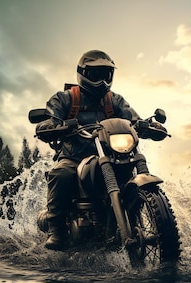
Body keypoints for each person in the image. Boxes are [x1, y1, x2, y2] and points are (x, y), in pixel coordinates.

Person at [36, 50, 142, 250]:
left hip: (112, 156)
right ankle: (56, 230)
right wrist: (51, 126)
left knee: (130, 173)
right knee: (62, 173)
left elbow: (132, 118)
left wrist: (147, 125)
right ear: (83, 73)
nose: (102, 80)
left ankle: (141, 221)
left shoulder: (115, 101)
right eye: (96, 74)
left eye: (106, 74)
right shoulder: (65, 98)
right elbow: (49, 119)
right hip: (75, 157)